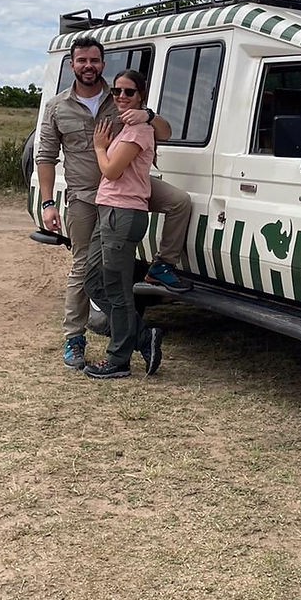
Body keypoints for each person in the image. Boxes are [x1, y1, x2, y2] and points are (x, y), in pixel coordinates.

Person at [35, 36, 192, 370]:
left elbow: (164, 131)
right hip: (86, 196)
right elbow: (45, 156)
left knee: (178, 201)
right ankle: (75, 338)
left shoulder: (119, 98)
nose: (88, 66)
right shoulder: (57, 107)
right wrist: (48, 203)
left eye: (94, 60)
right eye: (81, 60)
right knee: (84, 268)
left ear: (102, 64)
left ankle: (163, 264)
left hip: (125, 187)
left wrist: (148, 115)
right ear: (72, 64)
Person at [82, 70, 163, 379]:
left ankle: (119, 360)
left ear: (140, 95)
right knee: (94, 280)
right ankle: (143, 336)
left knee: (117, 289)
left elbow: (112, 172)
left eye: (128, 91)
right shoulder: (126, 127)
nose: (121, 96)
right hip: (109, 212)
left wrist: (99, 147)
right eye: (116, 91)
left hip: (124, 213)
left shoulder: (140, 130)